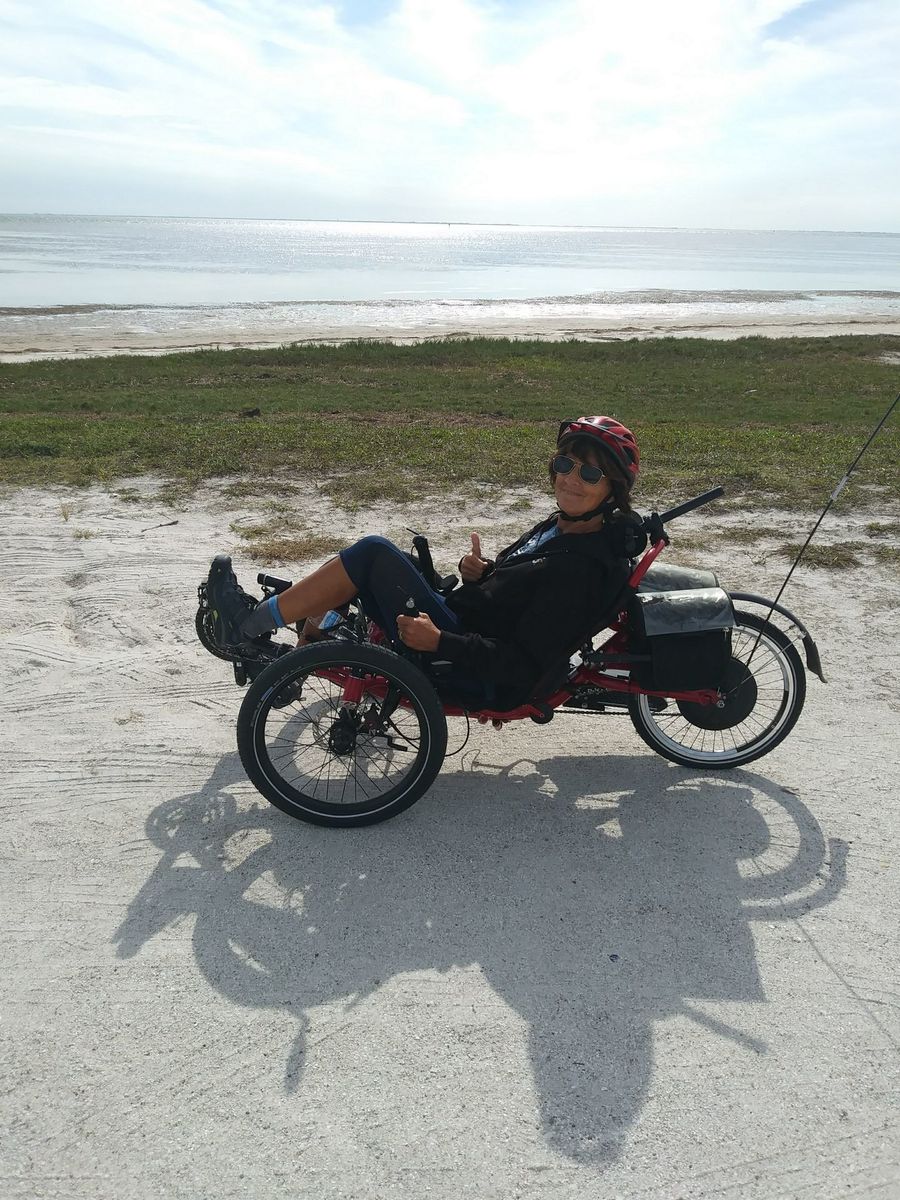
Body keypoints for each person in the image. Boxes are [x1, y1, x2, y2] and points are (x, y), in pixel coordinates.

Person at [206, 416, 643, 710]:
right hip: (463, 621)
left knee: (372, 555)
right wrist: (487, 574)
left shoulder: (582, 570)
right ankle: (292, 669)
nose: (570, 479)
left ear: (613, 490)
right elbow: (527, 587)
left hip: (465, 662)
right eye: (565, 464)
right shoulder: (562, 527)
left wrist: (439, 642)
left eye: (589, 473)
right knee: (360, 566)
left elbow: (524, 665)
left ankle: (247, 625)